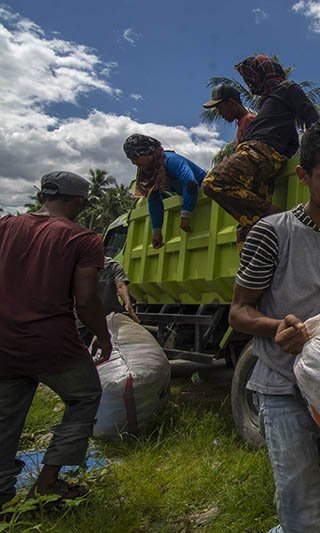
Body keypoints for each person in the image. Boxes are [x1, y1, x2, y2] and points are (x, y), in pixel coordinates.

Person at [228, 121, 320, 531]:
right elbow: (239, 311)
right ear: (303, 176)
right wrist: (277, 326)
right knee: (302, 508)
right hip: (282, 390)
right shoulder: (272, 233)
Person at [0, 172, 112, 508]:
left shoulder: (5, 227)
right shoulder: (82, 238)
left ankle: (4, 497)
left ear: (43, 197)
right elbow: (87, 300)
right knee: (84, 395)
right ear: (78, 201)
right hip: (51, 343)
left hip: (4, 343)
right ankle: (48, 482)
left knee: (5, 420)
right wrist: (102, 335)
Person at [202, 55, 320, 248]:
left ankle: (279, 216)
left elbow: (313, 119)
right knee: (250, 230)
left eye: (251, 77)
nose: (250, 83)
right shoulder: (269, 100)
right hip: (260, 153)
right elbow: (290, 136)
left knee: (213, 183)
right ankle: (253, 273)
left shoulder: (288, 88)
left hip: (261, 151)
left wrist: (311, 153)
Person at [123, 134, 207, 249]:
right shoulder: (149, 173)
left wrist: (186, 213)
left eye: (135, 157)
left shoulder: (171, 160)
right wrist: (156, 232)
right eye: (130, 159)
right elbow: (154, 201)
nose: (133, 162)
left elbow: (190, 183)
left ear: (147, 151)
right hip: (187, 196)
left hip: (207, 192)